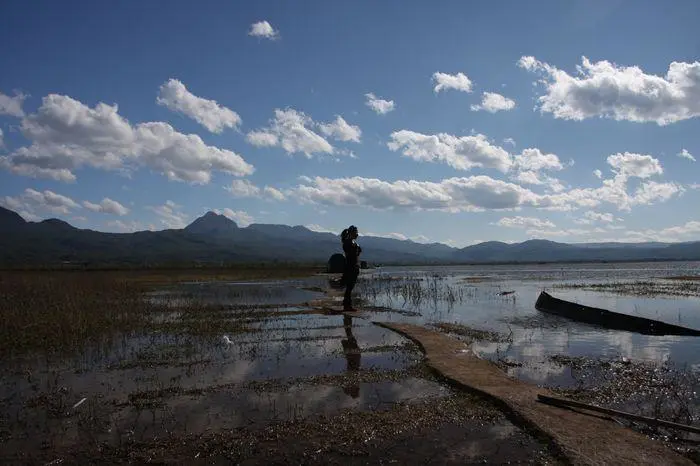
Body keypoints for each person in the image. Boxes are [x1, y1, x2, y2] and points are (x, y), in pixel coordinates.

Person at [340, 225, 361, 311]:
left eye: (357, 232)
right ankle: (347, 305)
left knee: (350, 287)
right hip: (350, 266)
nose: (357, 234)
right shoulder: (348, 242)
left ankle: (347, 304)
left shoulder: (351, 242)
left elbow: (357, 253)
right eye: (356, 232)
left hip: (353, 266)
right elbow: (352, 254)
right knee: (349, 287)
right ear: (351, 233)